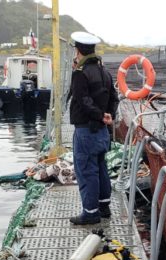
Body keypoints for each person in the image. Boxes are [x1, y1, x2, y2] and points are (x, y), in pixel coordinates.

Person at [68, 31, 119, 225]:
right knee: (100, 167)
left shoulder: (81, 74)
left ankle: (90, 213)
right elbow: (114, 97)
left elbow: (82, 101)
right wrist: (109, 115)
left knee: (86, 171)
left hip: (86, 130)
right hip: (102, 131)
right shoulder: (104, 72)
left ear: (78, 50)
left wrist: (99, 115)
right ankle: (104, 207)